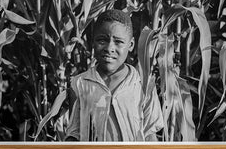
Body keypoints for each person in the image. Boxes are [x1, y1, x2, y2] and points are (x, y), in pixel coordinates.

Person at [66, 9, 164, 142]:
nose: (109, 48)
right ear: (92, 42)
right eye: (102, 40)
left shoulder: (144, 84)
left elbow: (150, 134)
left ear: (131, 45)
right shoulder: (79, 84)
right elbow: (74, 133)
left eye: (118, 42)